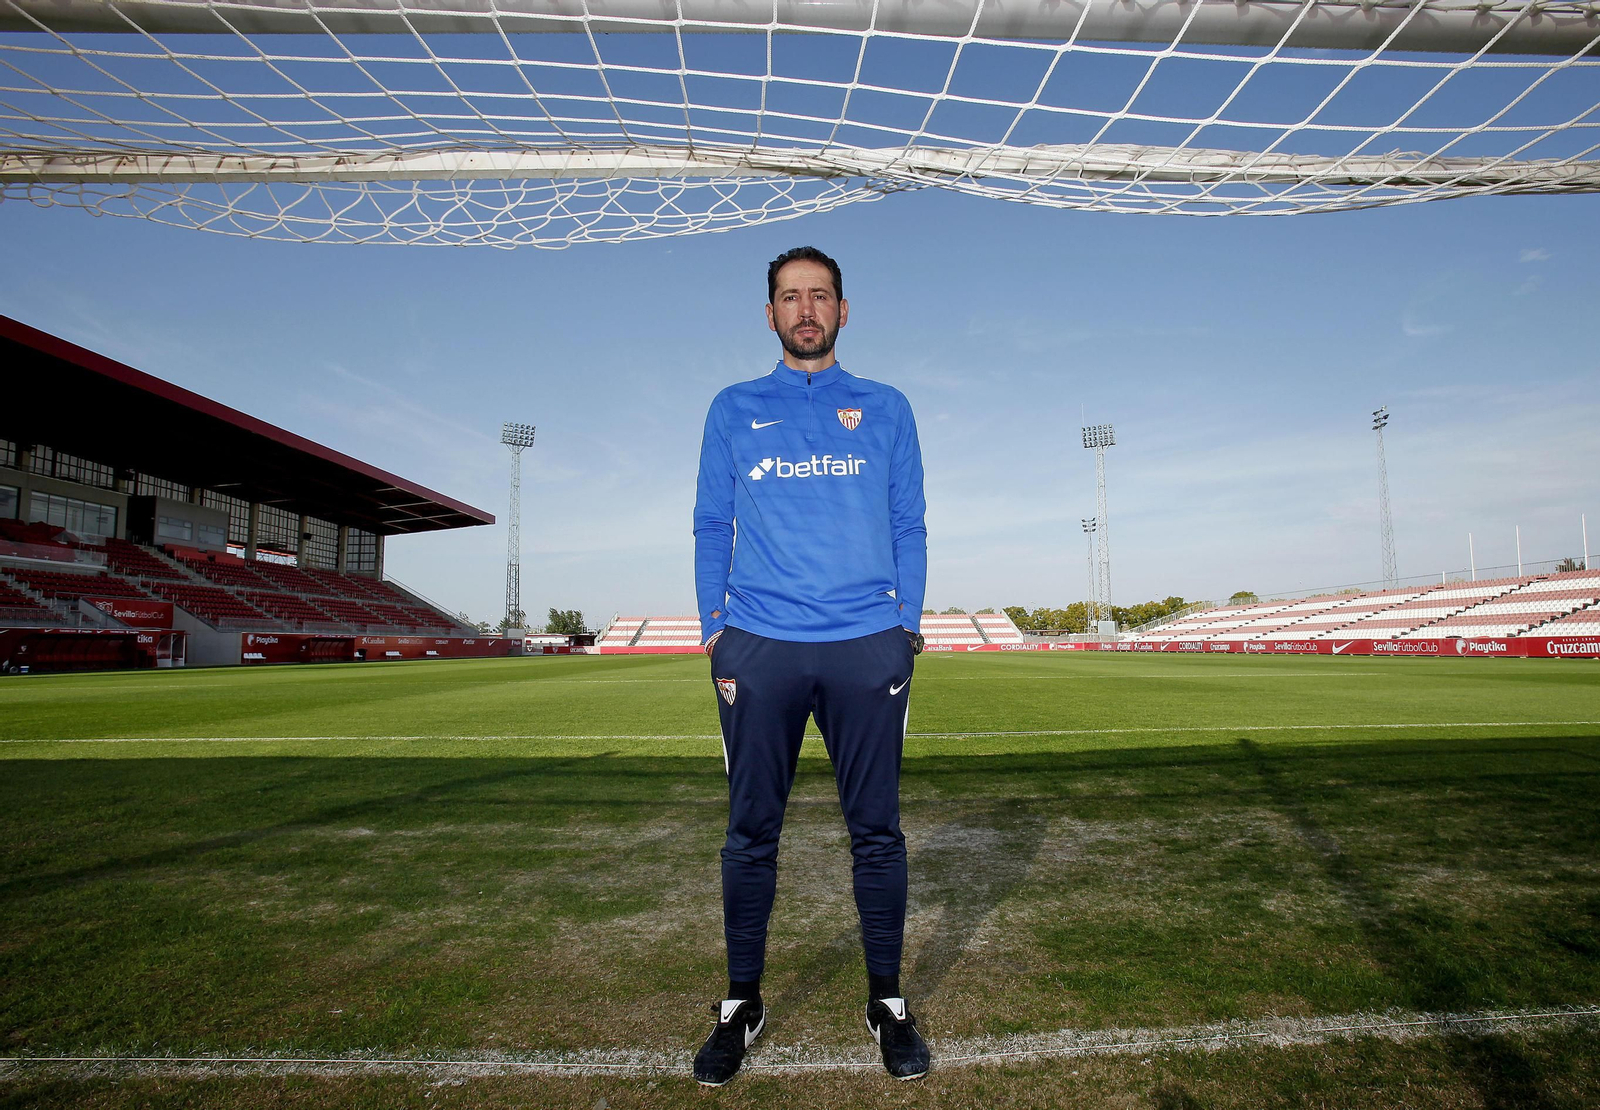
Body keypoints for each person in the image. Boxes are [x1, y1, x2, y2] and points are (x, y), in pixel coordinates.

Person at [690, 246, 930, 1085]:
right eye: (790, 297)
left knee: (877, 833)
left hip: (867, 642)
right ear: (769, 315)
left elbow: (910, 526)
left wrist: (904, 628)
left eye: (819, 295)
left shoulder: (886, 407)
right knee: (751, 833)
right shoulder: (733, 407)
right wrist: (718, 630)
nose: (805, 309)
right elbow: (710, 525)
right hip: (759, 642)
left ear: (843, 309)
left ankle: (887, 1003)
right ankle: (740, 1004)